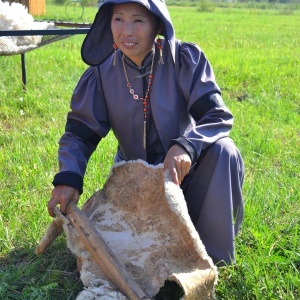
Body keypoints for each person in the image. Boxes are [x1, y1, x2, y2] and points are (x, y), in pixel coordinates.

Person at [47, 0, 244, 266]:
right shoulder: (101, 73)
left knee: (225, 150)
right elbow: (80, 135)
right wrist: (68, 178)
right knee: (130, 251)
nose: (127, 30)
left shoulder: (184, 60)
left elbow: (216, 116)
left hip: (185, 176)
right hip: (137, 185)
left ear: (157, 25)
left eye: (138, 20)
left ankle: (210, 260)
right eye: (118, 19)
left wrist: (186, 145)